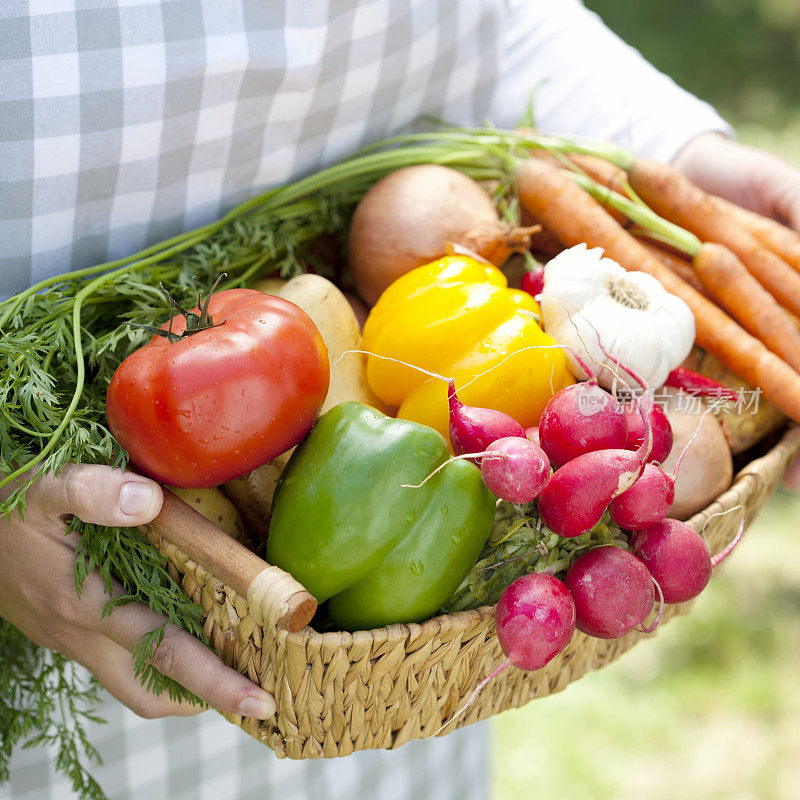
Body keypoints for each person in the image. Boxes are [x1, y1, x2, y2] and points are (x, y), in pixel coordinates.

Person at [2, 1, 800, 798]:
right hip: (53, 576)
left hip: (404, 688)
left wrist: (675, 148)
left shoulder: (443, 395)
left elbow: (494, 20)